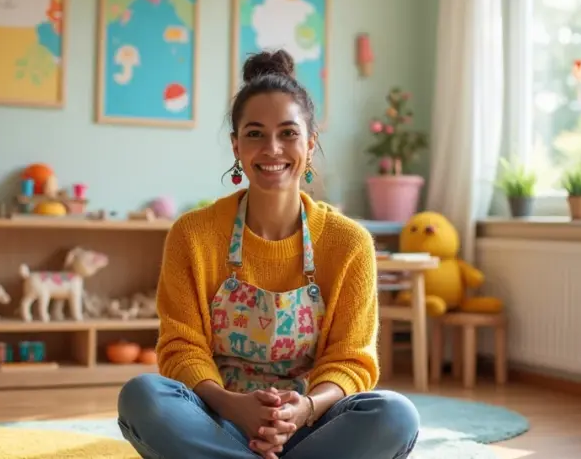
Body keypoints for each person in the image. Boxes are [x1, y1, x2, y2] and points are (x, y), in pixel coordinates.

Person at [117, 49, 420, 459]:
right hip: (215, 422)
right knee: (142, 396)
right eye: (255, 133)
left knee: (395, 415)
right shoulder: (193, 235)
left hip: (312, 428)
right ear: (236, 145)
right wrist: (233, 406)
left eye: (288, 133)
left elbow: (352, 359)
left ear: (310, 144)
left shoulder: (348, 243)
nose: (272, 149)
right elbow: (181, 348)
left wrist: (305, 409)